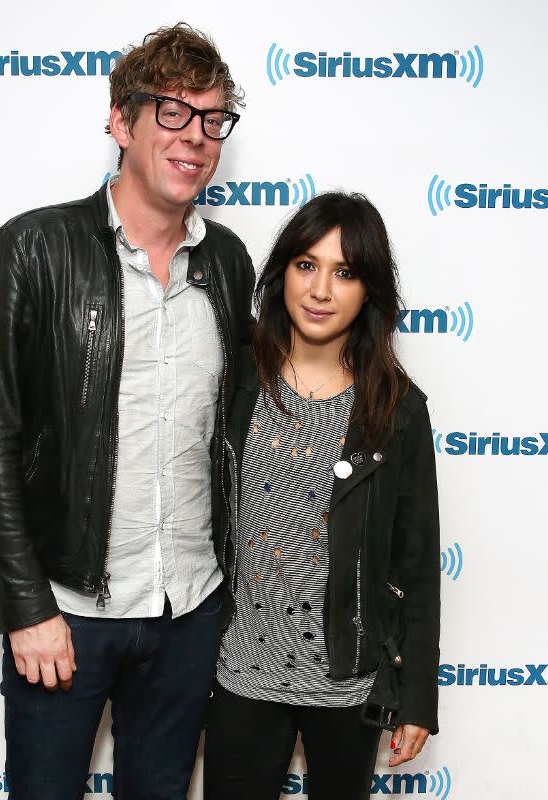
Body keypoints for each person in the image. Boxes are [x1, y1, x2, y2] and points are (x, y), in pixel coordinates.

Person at [0, 23, 254, 800]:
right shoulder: (32, 249)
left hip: (190, 611)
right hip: (68, 615)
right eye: (174, 114)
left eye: (213, 119)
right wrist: (26, 608)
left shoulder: (226, 262)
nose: (197, 139)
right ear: (122, 121)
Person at [203, 192, 440, 800]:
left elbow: (416, 563)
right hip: (241, 676)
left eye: (345, 272)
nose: (321, 290)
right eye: (307, 265)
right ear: (282, 271)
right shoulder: (236, 380)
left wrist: (416, 697)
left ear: (369, 292)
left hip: (349, 685)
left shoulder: (397, 410)